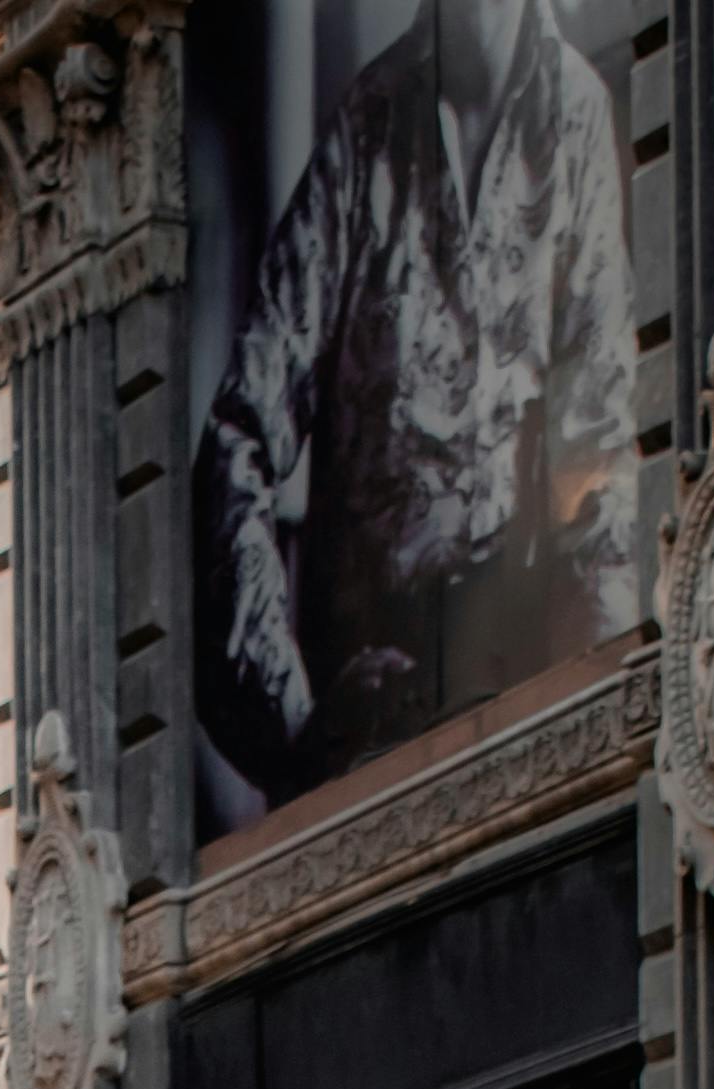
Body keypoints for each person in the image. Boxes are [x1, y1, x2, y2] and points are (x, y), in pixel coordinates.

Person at [195, 0, 635, 806]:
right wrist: (294, 730)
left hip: (530, 738)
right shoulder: (364, 133)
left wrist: (595, 717)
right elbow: (235, 440)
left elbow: (601, 448)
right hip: (367, 768)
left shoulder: (573, 117)